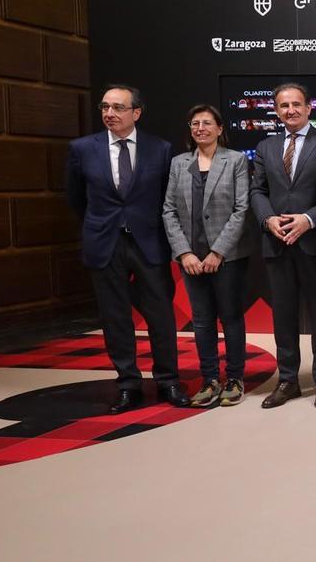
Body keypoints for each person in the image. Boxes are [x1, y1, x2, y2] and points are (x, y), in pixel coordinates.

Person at [66, 84, 189, 413]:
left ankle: (168, 380)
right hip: (104, 243)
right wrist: (100, 224)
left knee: (161, 315)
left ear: (136, 112)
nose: (109, 114)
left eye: (118, 108)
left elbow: (168, 198)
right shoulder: (82, 149)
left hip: (149, 242)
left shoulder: (159, 149)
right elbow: (76, 198)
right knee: (115, 317)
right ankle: (128, 384)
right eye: (105, 107)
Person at [249, 83, 316, 410]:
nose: (290, 110)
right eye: (283, 106)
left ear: (309, 107)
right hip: (276, 243)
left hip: (314, 242)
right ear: (276, 109)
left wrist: (309, 219)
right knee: (283, 316)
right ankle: (287, 380)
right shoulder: (266, 146)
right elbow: (257, 190)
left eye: (296, 104)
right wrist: (267, 220)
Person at [162, 104, 254, 408]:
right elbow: (169, 211)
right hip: (191, 258)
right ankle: (210, 378)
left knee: (230, 317)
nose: (200, 128)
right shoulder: (179, 163)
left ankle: (235, 378)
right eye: (194, 124)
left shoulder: (236, 161)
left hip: (226, 257)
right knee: (201, 321)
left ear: (219, 128)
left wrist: (218, 251)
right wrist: (184, 252)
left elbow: (242, 209)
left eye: (206, 123)